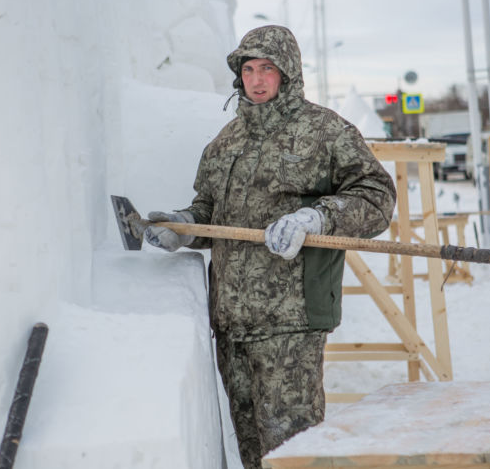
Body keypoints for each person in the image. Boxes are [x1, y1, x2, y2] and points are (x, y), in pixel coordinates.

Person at [144, 25, 396, 468]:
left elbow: (376, 196)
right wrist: (184, 226)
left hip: (291, 321)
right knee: (253, 453)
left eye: (267, 68)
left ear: (288, 72)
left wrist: (318, 216)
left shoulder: (325, 131)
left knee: (295, 453)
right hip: (231, 324)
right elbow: (209, 213)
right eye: (248, 69)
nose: (256, 79)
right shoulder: (226, 141)